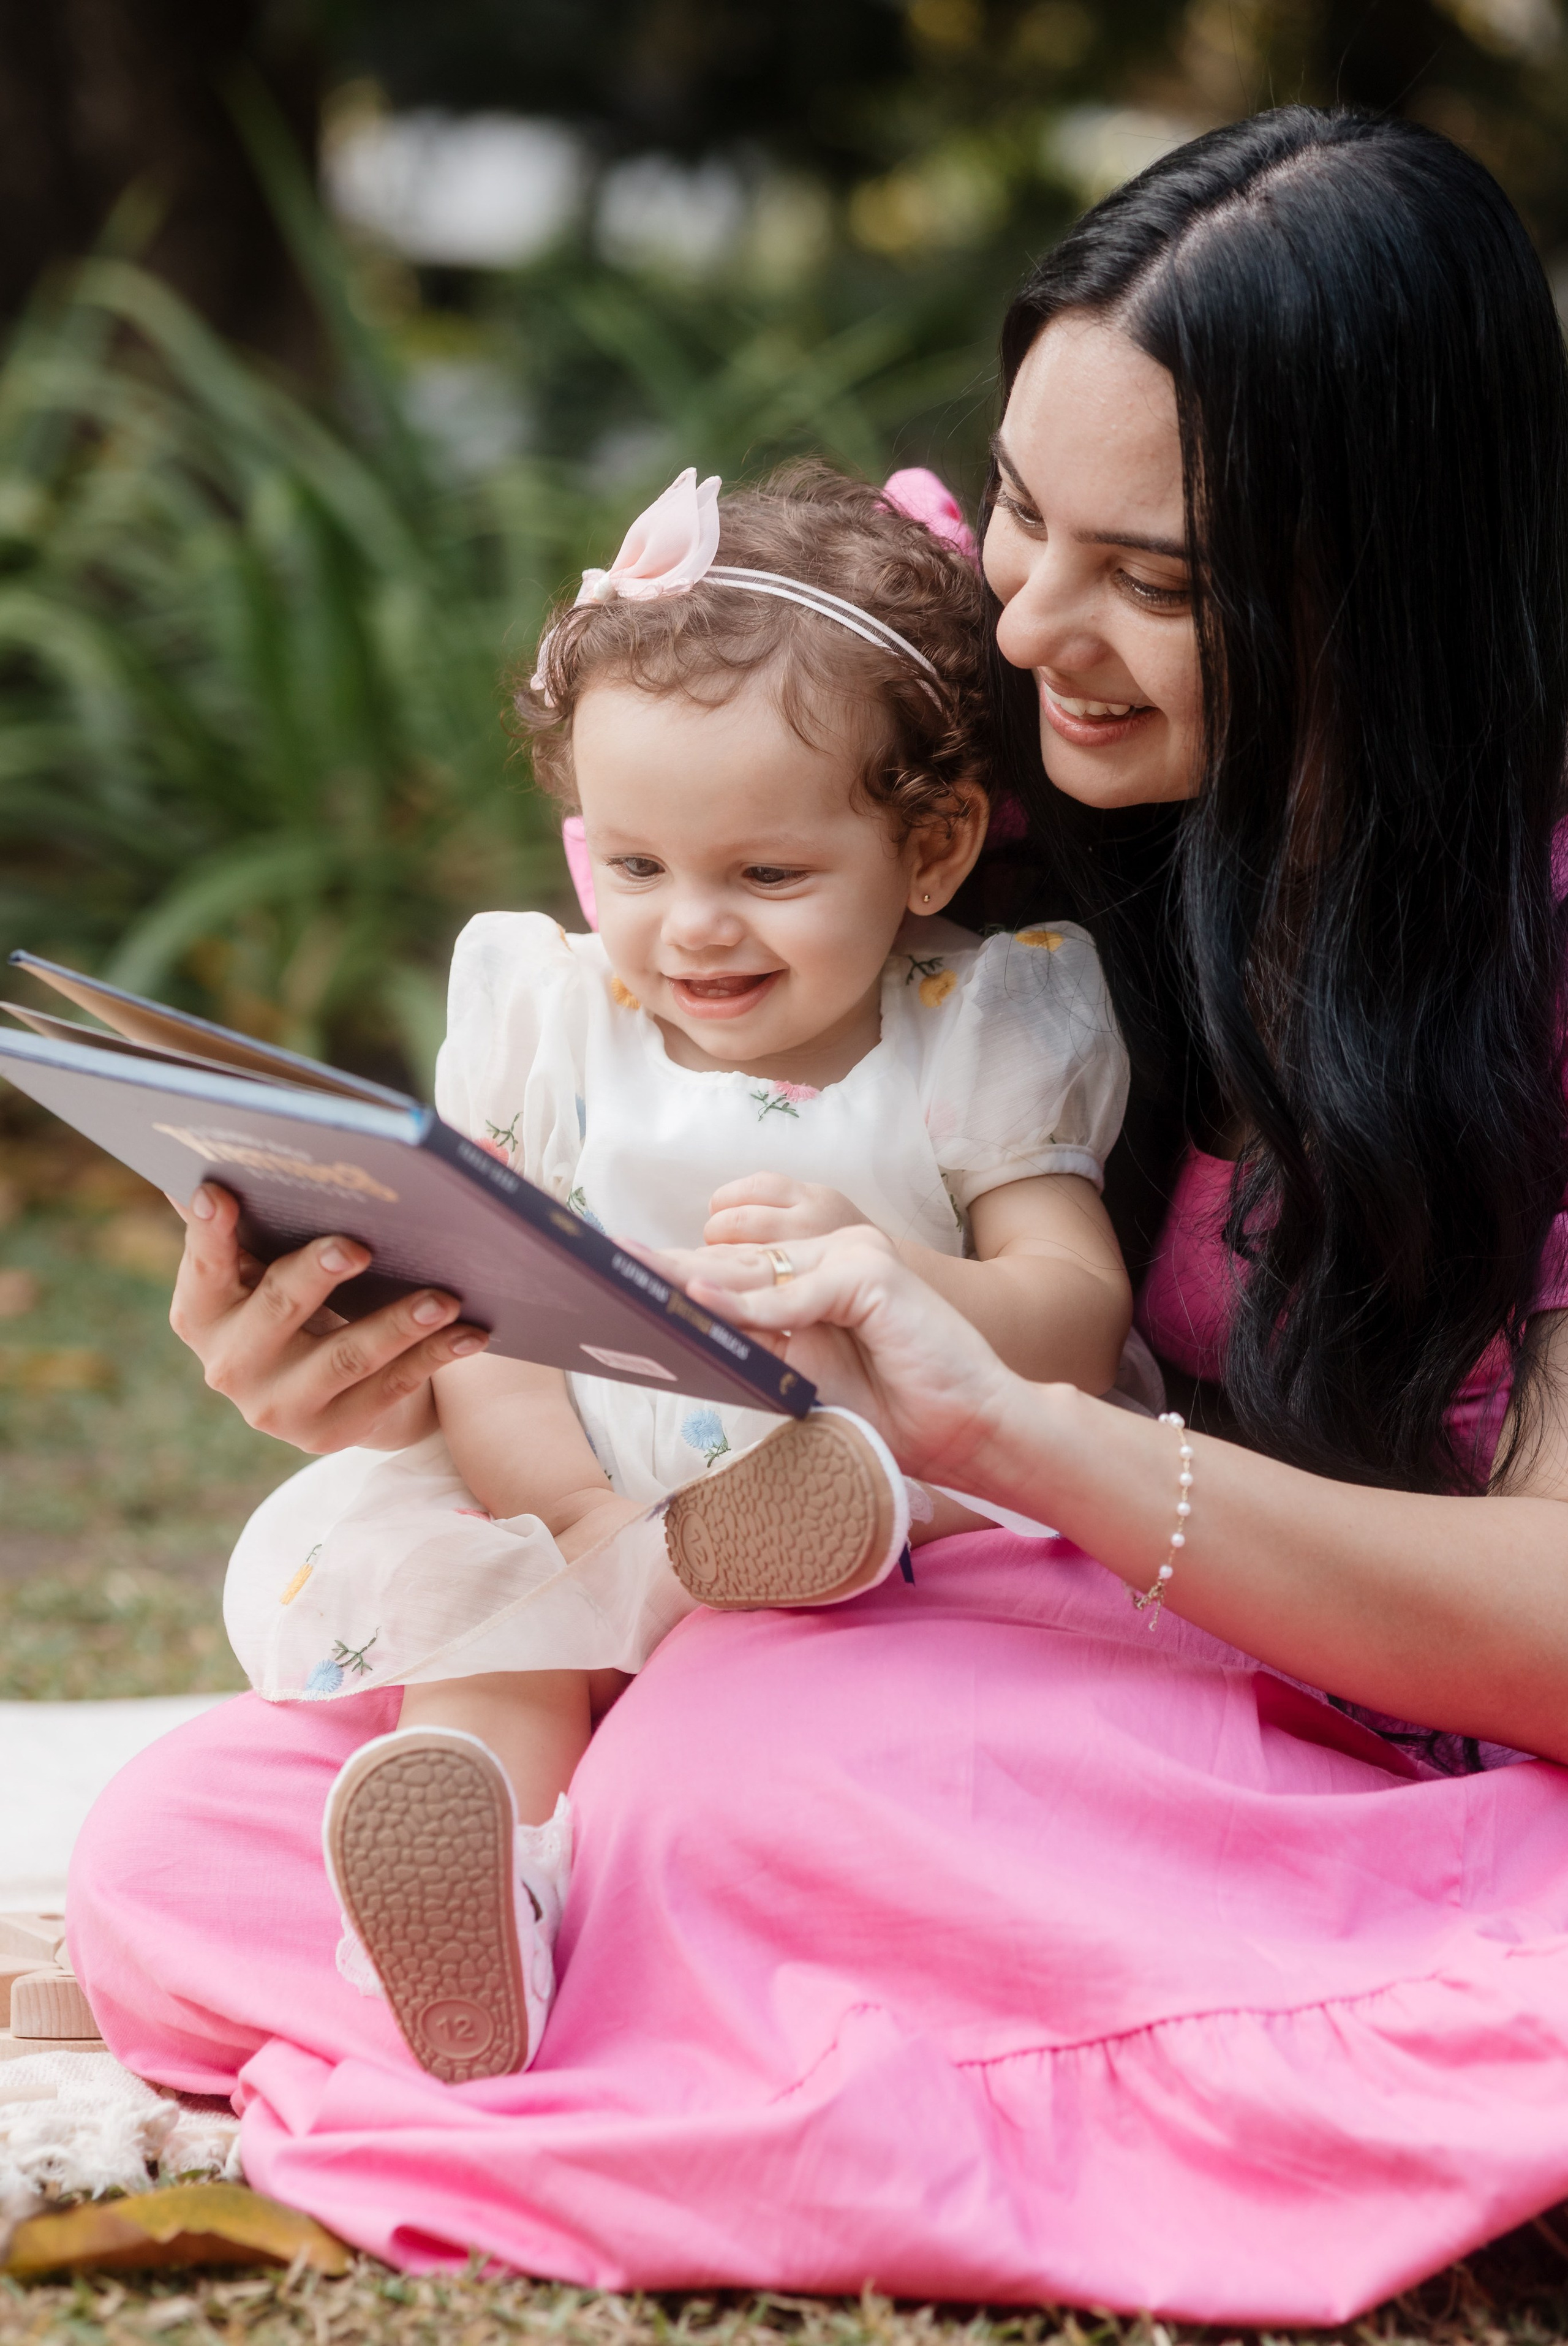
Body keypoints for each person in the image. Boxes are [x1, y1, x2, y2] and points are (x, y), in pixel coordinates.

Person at [63, 107, 1568, 2321]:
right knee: (178, 1851)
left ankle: (724, 2032)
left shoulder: (1525, 949)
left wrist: (1008, 1427)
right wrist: (374, 1358)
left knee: (756, 1775)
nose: (1033, 622)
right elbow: (648, 1025)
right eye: (1030, 514)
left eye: (1152, 577)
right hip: (940, 1654)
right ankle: (707, 2008)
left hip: (1323, 1742)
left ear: (1402, 571)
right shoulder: (1005, 793)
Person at [221, 457, 1133, 2086]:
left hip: (898, 1500)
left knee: (852, 1566)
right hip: (582, 1490)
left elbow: (1071, 1317)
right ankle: (484, 1886)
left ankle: (724, 1680)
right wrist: (569, 1523)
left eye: (767, 876)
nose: (691, 930)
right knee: (492, 1631)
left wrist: (901, 1276)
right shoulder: (553, 1021)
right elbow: (485, 1321)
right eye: (635, 868)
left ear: (928, 848)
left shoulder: (978, 1027)